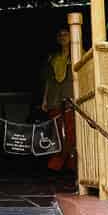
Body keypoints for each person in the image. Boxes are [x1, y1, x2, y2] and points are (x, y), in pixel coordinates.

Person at [38, 29, 77, 173]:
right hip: (54, 97)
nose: (62, 37)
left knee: (71, 131)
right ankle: (57, 163)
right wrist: (44, 100)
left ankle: (69, 164)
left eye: (65, 34)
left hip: (71, 95)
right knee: (56, 131)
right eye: (59, 35)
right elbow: (48, 80)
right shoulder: (52, 58)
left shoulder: (80, 53)